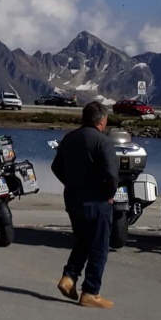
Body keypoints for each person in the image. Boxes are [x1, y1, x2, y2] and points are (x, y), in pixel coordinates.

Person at [51, 101, 121, 308]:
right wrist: (110, 194)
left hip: (73, 199)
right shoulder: (103, 142)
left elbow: (56, 167)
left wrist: (71, 183)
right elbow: (111, 174)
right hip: (97, 201)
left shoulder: (69, 138)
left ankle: (69, 277)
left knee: (83, 240)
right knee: (99, 247)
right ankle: (90, 292)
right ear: (102, 120)